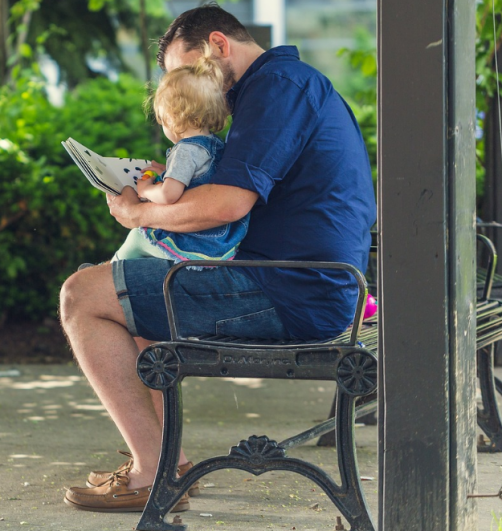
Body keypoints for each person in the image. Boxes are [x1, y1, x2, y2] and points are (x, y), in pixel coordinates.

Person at [60, 2, 376, 513]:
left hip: (290, 292)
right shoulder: (279, 86)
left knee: (81, 295)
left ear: (218, 45)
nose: (189, 87)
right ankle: (169, 465)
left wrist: (139, 216)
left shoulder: (277, 89)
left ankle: (148, 473)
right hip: (301, 283)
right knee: (133, 296)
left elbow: (228, 204)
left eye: (188, 70)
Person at [113, 45, 249, 263]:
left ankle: (110, 269)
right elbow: (195, 178)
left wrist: (147, 189)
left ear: (172, 117)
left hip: (196, 242)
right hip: (220, 241)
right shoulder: (214, 145)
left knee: (137, 238)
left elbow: (169, 195)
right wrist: (167, 171)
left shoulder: (185, 151)